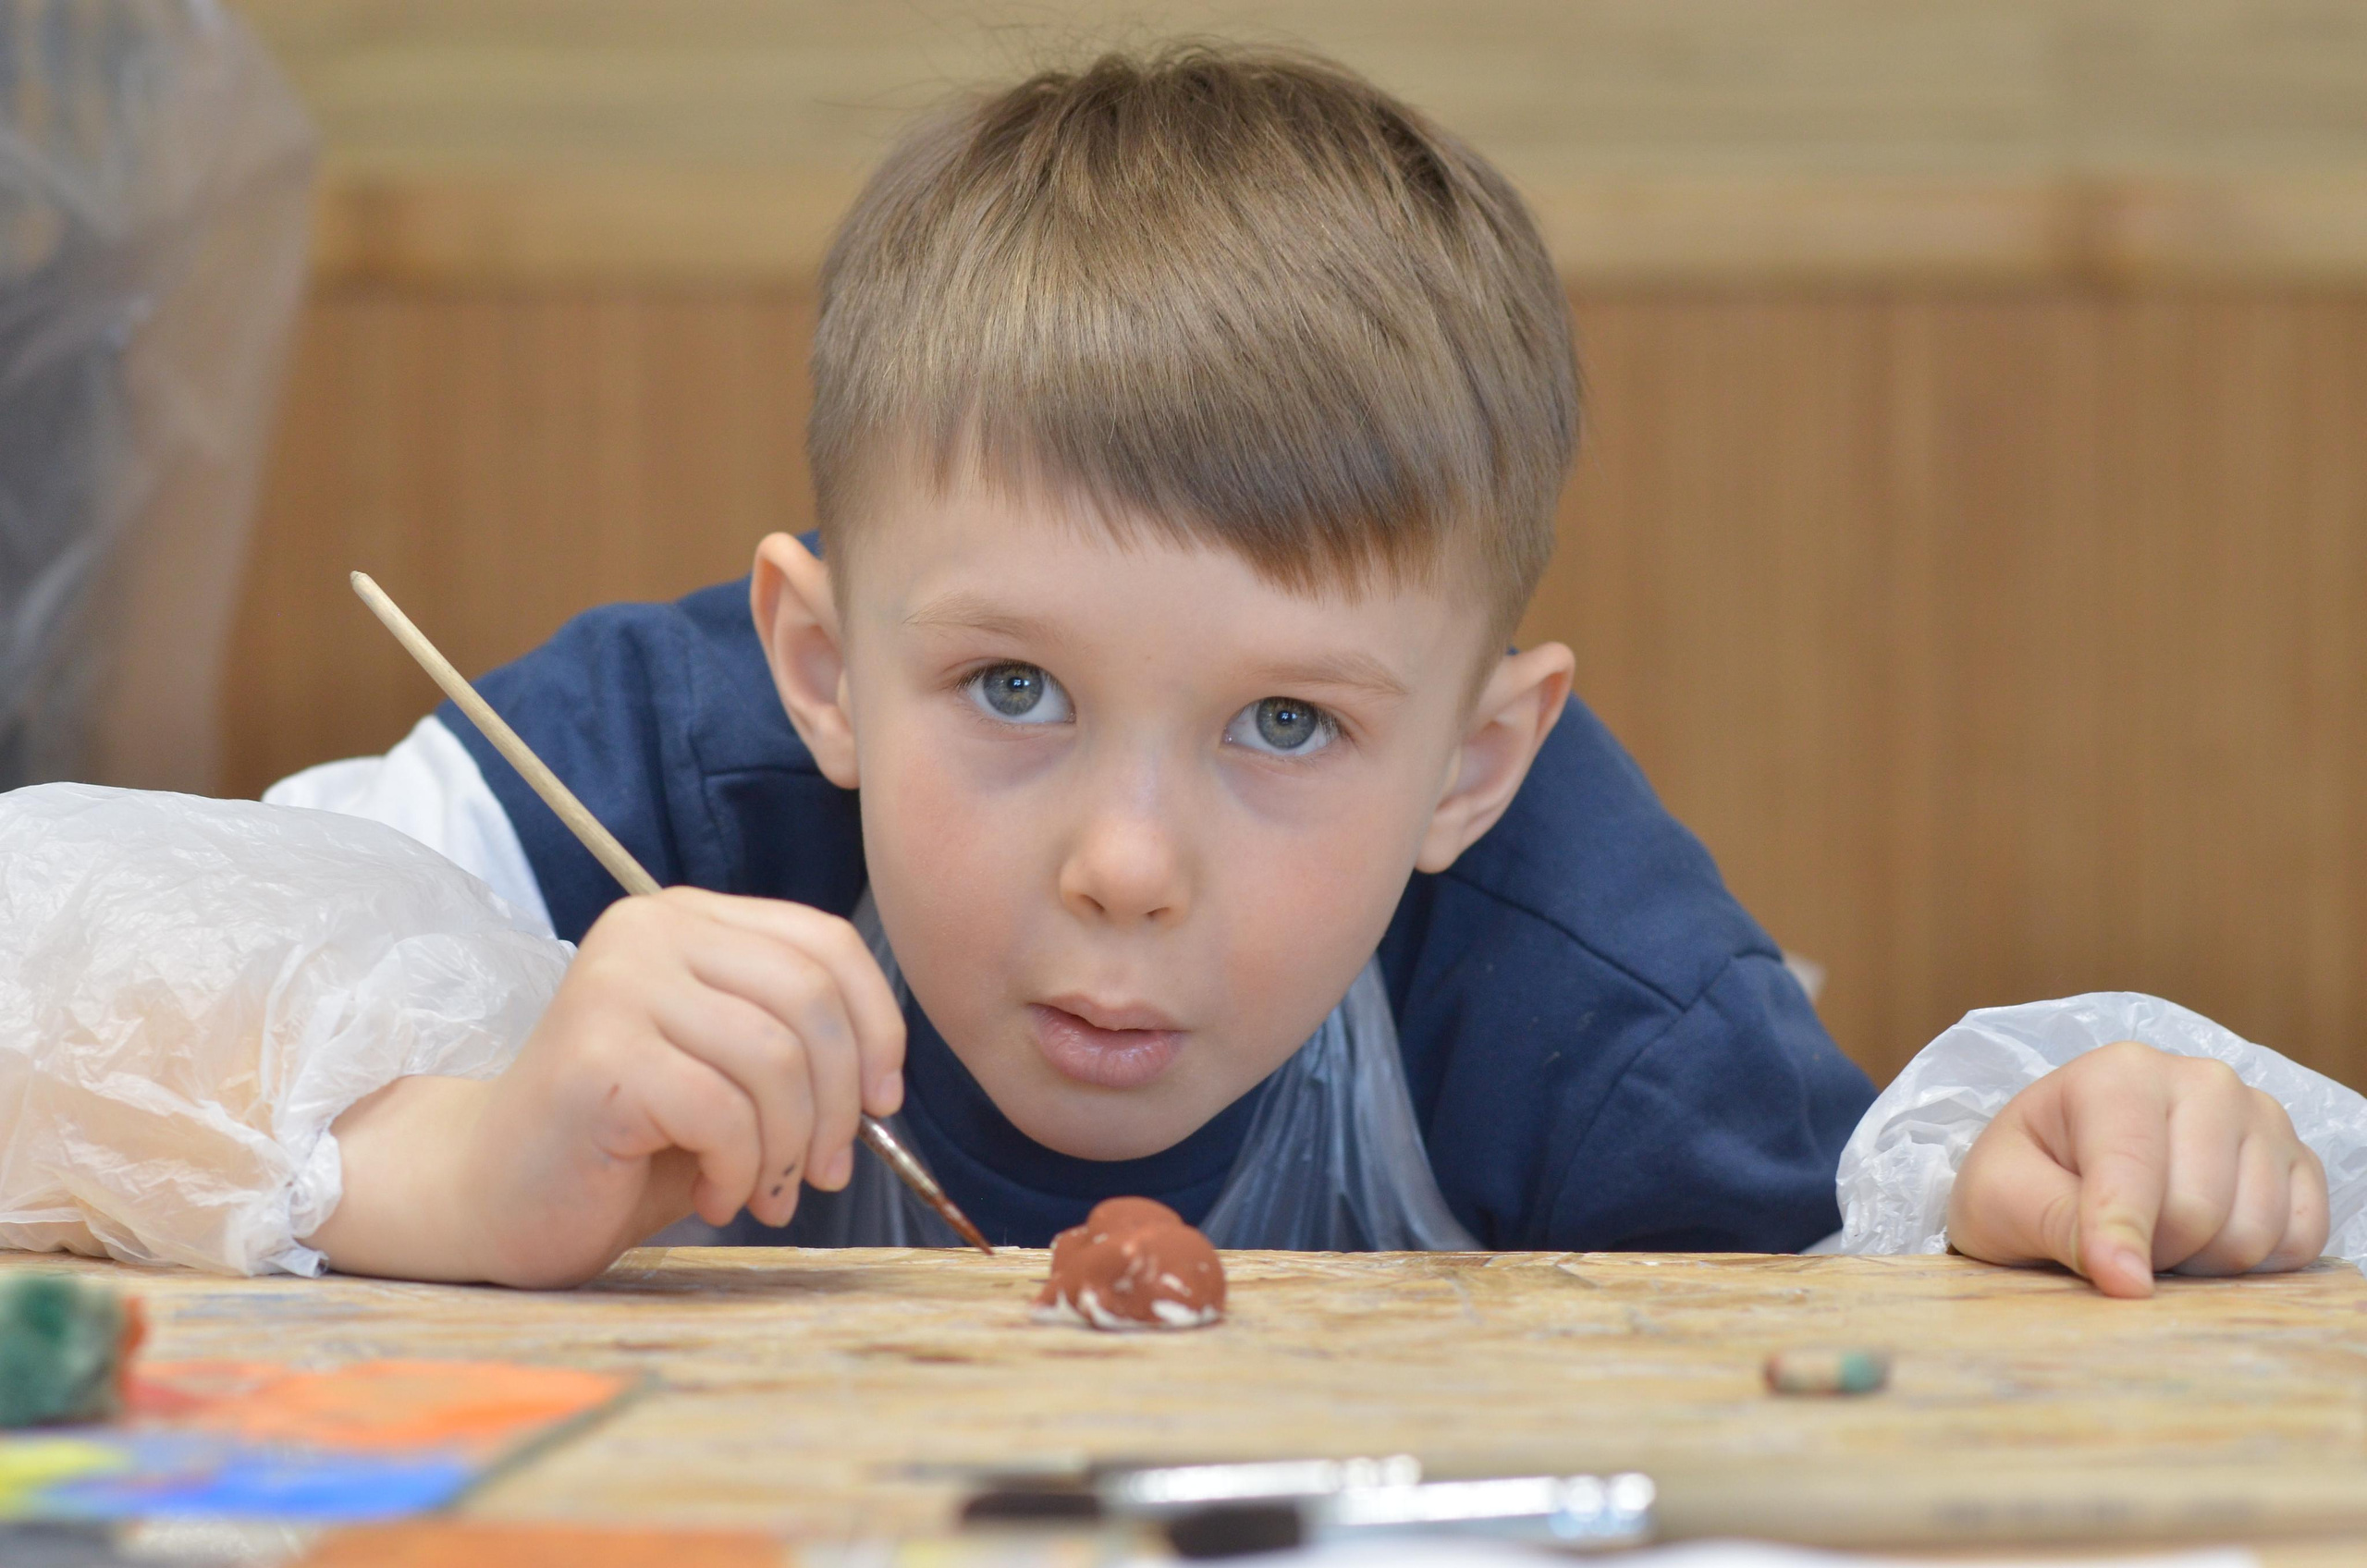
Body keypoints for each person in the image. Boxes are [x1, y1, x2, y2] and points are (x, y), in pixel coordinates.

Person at [266, 46, 2327, 1294]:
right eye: (1011, 690)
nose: (1127, 865)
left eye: (1284, 723)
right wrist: (454, 1164)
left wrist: (2047, 1194)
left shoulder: (1588, 993)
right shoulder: (632, 781)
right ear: (816, 661)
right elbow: (104, 998)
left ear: (1472, 766)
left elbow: (1865, 1309)